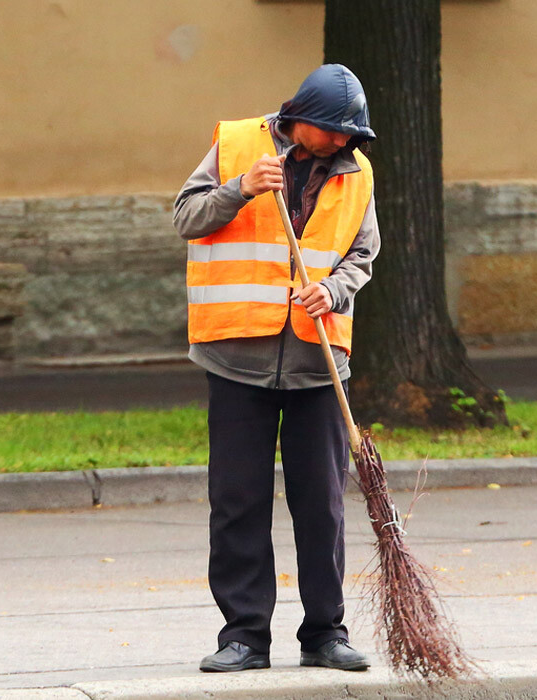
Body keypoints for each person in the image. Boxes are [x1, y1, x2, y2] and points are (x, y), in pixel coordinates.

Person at [172, 64, 380, 673]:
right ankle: (243, 636)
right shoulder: (238, 146)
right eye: (334, 133)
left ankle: (324, 634)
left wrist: (334, 291)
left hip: (318, 361)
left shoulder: (357, 171)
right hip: (236, 355)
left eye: (350, 135)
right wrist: (238, 187)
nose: (343, 143)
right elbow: (186, 219)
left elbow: (362, 253)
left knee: (322, 503)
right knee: (237, 501)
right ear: (302, 118)